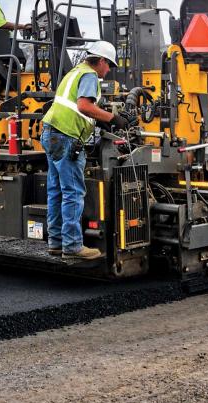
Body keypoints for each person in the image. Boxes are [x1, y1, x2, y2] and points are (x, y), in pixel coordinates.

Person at [41, 41, 130, 260]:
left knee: (56, 191)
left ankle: (56, 242)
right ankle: (72, 246)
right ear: (100, 61)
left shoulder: (75, 71)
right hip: (66, 136)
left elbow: (74, 107)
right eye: (108, 64)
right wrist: (113, 118)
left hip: (51, 133)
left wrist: (98, 122)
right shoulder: (90, 76)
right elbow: (83, 106)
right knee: (73, 192)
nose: (108, 70)